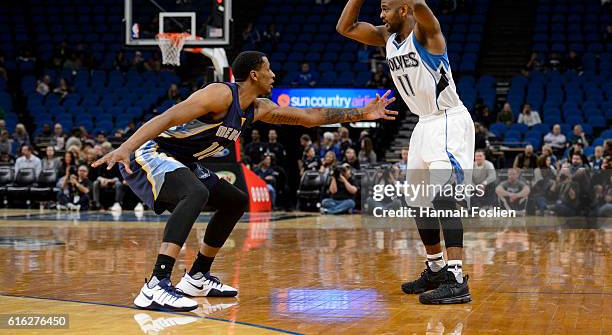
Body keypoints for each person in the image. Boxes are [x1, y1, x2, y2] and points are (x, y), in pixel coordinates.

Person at [92, 51, 397, 312]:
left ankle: (197, 276)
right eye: (269, 69)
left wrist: (362, 112)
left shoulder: (259, 108)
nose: (274, 75)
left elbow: (311, 117)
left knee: (235, 200)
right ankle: (156, 283)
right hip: (151, 151)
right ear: (254, 74)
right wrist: (125, 147)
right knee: (195, 193)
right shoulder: (220, 94)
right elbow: (167, 117)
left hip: (185, 160)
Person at [336, 0, 474, 304]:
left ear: (402, 10)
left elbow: (422, 7)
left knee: (444, 199)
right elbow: (345, 26)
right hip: (423, 124)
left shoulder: (427, 34)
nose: (380, 15)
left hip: (448, 121)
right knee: (417, 200)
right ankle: (436, 268)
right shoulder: (387, 39)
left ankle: (458, 279)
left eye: (385, 9)